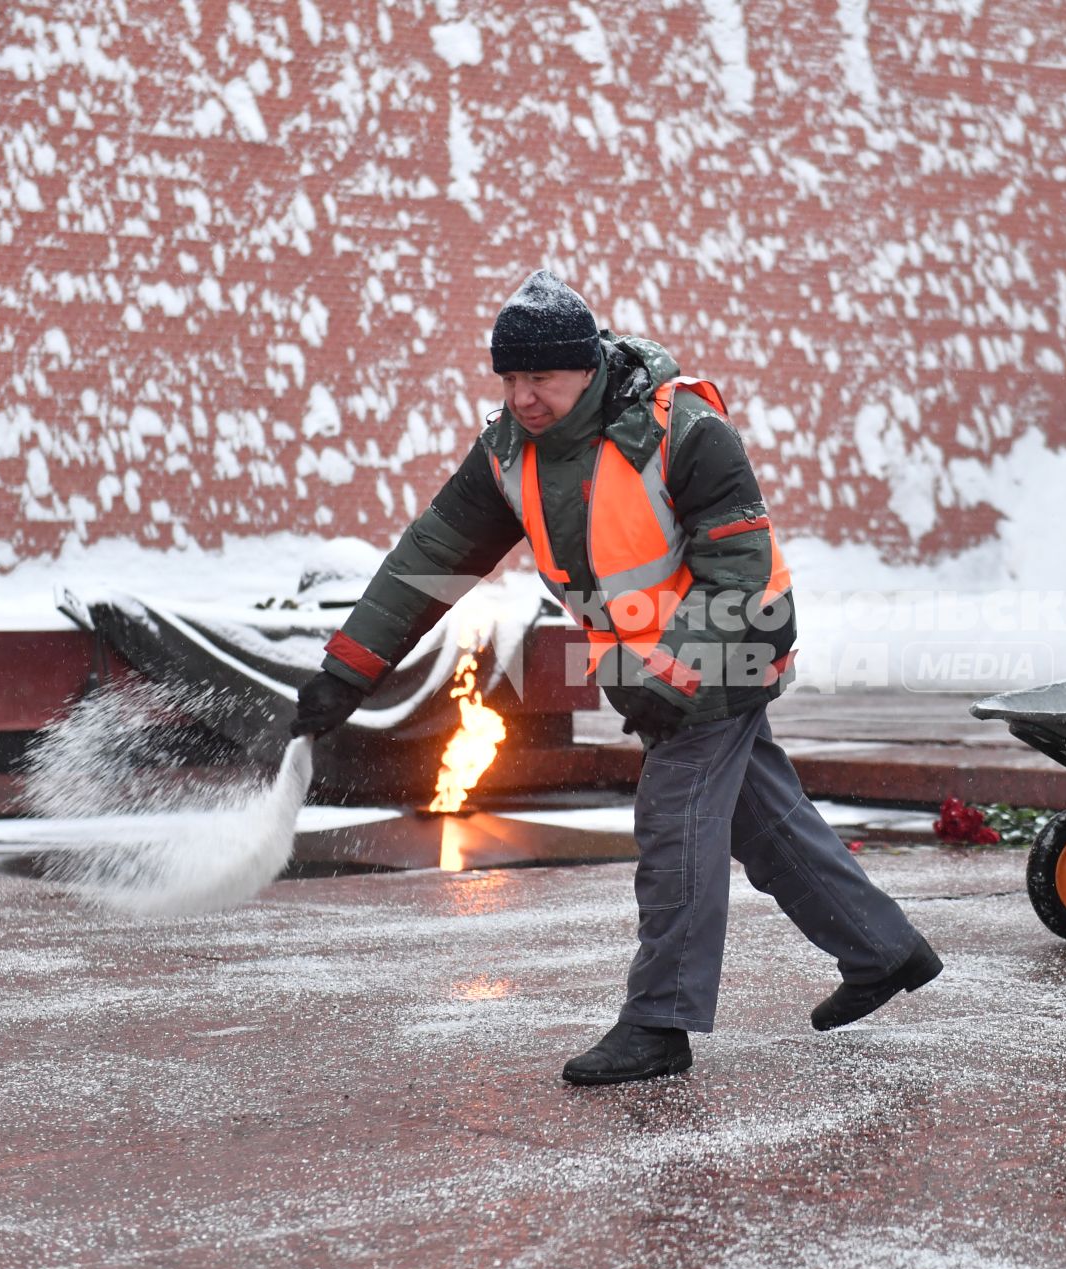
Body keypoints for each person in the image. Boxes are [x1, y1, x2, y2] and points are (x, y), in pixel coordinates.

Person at [289, 271, 941, 1082]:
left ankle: (659, 1024)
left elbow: (737, 573)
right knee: (762, 822)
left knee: (675, 828)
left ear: (588, 366)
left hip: (728, 651)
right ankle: (884, 950)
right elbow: (430, 559)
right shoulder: (509, 454)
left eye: (542, 379)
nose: (524, 398)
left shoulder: (682, 432)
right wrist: (348, 673)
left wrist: (667, 678)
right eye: (511, 379)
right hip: (653, 669)